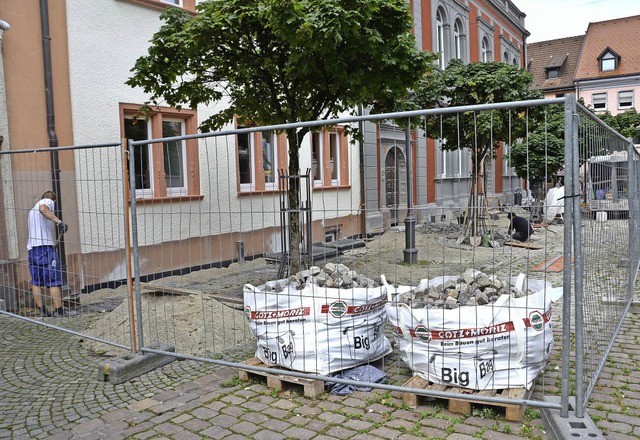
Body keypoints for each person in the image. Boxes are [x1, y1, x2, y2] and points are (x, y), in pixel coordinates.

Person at [27, 191, 68, 317]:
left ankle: (42, 311)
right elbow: (43, 208)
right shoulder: (46, 202)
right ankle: (59, 311)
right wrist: (59, 222)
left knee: (36, 281)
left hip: (32, 249)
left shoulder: (31, 212)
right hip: (45, 249)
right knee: (54, 279)